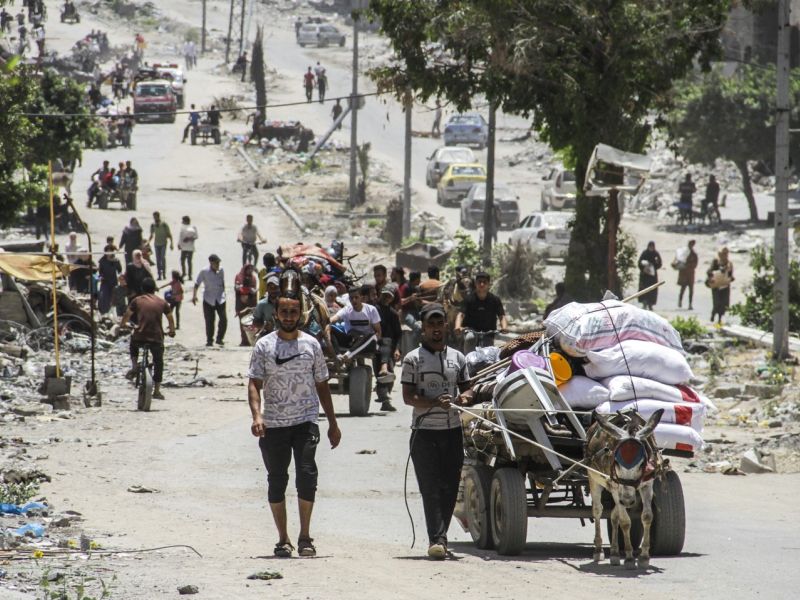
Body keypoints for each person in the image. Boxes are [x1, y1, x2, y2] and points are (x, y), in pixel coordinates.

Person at [247, 276, 341, 558]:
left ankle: (305, 537)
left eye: (293, 311)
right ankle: (283, 539)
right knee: (277, 481)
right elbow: (254, 383)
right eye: (284, 311)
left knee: (307, 476)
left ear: (301, 314)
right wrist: (257, 416)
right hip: (274, 424)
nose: (288, 316)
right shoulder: (264, 346)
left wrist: (333, 423)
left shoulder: (312, 345)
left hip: (305, 421)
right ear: (276, 314)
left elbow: (322, 385)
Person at [401, 302, 471, 559]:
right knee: (430, 488)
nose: (436, 328)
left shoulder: (458, 358)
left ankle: (440, 537)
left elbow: (468, 388)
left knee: (450, 487)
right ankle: (437, 539)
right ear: (423, 328)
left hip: (453, 432)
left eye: (439, 323)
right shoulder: (412, 359)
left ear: (445, 325)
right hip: (424, 433)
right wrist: (433, 403)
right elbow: (408, 397)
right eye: (431, 324)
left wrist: (464, 398)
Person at [121, 277, 175, 401]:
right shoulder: (162, 302)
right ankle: (157, 390)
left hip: (140, 335)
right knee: (159, 362)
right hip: (156, 337)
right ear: (154, 289)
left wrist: (123, 325)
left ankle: (135, 366)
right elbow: (170, 319)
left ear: (142, 289)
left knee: (133, 344)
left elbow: (127, 315)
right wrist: (172, 331)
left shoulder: (137, 301)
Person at [454, 271, 507, 350]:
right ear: (475, 284)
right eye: (479, 282)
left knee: (489, 350)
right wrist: (457, 326)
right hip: (471, 330)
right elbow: (461, 314)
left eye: (484, 282)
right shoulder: (469, 299)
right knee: (470, 338)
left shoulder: (495, 300)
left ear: (489, 284)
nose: (482, 284)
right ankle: (467, 357)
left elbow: (501, 316)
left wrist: (504, 327)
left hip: (489, 332)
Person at [327, 284, 381, 353]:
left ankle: (348, 354)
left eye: (356, 297)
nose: (354, 300)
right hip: (352, 339)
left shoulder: (371, 310)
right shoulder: (347, 310)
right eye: (351, 298)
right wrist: (328, 325)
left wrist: (375, 344)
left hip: (367, 341)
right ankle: (338, 355)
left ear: (361, 298)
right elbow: (334, 318)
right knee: (331, 328)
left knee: (366, 336)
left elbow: (378, 332)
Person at [374, 284, 402, 412]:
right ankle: (384, 399)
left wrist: (397, 349)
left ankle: (384, 399)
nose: (386, 298)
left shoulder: (393, 314)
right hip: (375, 344)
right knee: (379, 372)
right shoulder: (373, 309)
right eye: (384, 295)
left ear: (392, 298)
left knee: (389, 374)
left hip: (390, 347)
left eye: (389, 296)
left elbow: (398, 334)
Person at [193, 254, 227, 346]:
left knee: (223, 319)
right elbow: (197, 284)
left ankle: (219, 338)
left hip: (220, 298)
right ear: (211, 263)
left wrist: (224, 293)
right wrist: (194, 296)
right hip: (208, 298)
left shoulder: (221, 270)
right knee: (209, 321)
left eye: (218, 263)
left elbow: (222, 282)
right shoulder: (204, 271)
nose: (218, 265)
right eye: (216, 263)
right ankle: (209, 340)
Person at [707, 247, 734, 325]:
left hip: (725, 286)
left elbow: (730, 275)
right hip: (716, 285)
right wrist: (713, 276)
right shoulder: (716, 262)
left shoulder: (729, 264)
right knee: (717, 302)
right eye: (723, 253)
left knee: (724, 304)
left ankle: (719, 319)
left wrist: (730, 278)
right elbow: (709, 271)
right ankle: (713, 314)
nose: (725, 255)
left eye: (726, 254)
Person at [235, 263, 259, 346]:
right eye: (248, 269)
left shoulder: (253, 278)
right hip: (241, 304)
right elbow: (237, 288)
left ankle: (250, 340)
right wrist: (245, 289)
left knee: (251, 323)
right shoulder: (239, 277)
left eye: (251, 269)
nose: (250, 271)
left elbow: (255, 290)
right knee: (242, 323)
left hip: (251, 304)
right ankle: (244, 340)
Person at [637, 241, 662, 311]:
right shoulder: (644, 253)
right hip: (644, 276)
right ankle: (644, 303)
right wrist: (644, 268)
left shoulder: (656, 254)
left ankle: (650, 304)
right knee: (644, 289)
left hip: (652, 276)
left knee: (652, 290)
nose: (651, 248)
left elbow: (659, 263)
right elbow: (639, 262)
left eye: (652, 247)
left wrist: (654, 266)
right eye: (650, 246)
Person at [97, 245, 122, 315]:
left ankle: (113, 313)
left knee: (113, 297)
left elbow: (119, 270)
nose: (109, 252)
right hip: (105, 281)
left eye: (110, 251)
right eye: (107, 251)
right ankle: (103, 312)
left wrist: (120, 276)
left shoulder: (116, 260)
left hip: (113, 281)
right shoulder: (102, 260)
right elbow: (100, 272)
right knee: (104, 297)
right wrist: (100, 277)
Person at [148, 211, 173, 280]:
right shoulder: (153, 225)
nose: (155, 218)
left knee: (162, 258)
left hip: (163, 243)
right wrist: (148, 242)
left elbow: (169, 234)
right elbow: (151, 235)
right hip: (156, 244)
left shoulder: (164, 224)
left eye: (156, 216)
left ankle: (164, 274)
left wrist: (171, 243)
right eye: (154, 217)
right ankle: (159, 275)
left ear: (158, 216)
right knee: (158, 259)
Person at [676, 240, 699, 310]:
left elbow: (695, 264)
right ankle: (680, 301)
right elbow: (679, 260)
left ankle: (690, 304)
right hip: (684, 274)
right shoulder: (684, 252)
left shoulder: (694, 254)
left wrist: (688, 265)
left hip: (690, 274)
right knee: (683, 288)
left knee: (691, 290)